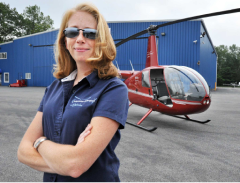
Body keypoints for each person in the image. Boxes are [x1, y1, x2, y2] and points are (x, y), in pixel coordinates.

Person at [17, 3, 129, 183]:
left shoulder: (113, 89)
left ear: (101, 40)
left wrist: (40, 143)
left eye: (90, 33)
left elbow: (76, 165)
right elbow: (23, 151)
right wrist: (66, 161)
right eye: (72, 32)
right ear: (65, 40)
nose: (80, 38)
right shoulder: (54, 88)